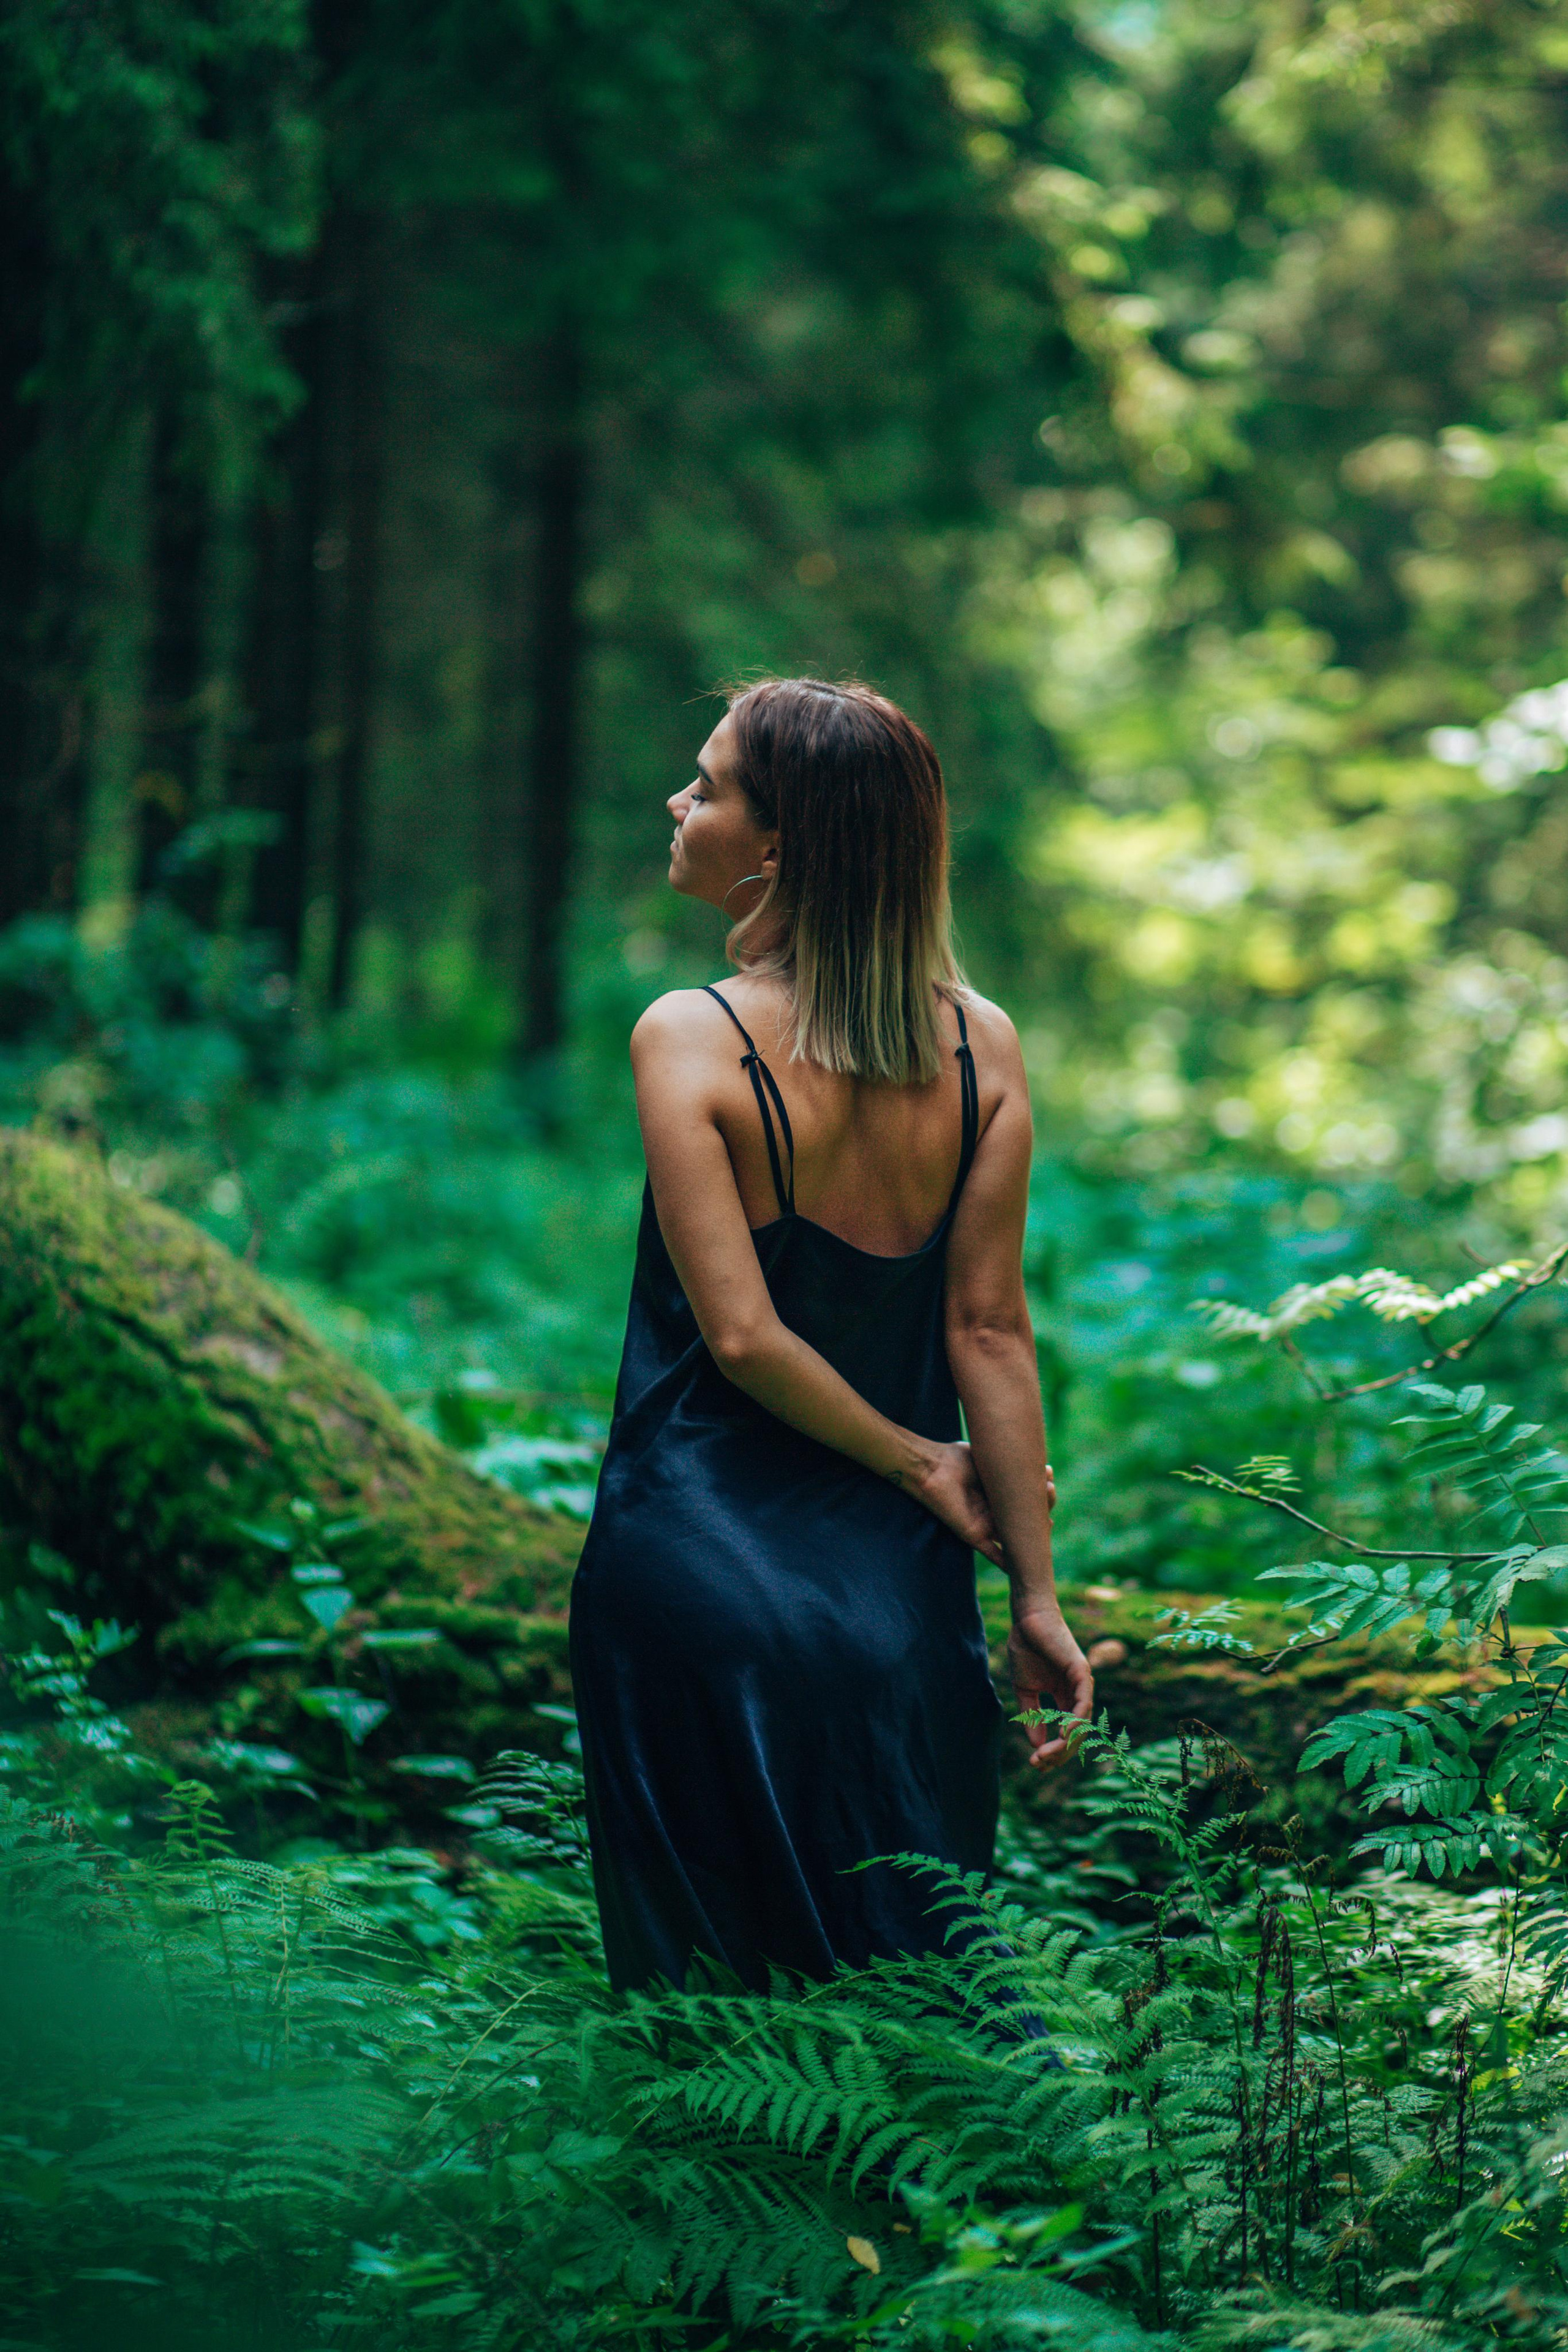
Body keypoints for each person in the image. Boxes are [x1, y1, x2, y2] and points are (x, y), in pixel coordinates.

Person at [568, 676, 1091, 1997]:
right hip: (893, 1601)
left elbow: (737, 1339)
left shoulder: (690, 1037)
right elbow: (988, 1325)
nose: (679, 802)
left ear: (778, 842)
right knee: (909, 1996)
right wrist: (1031, 1599)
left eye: (710, 784)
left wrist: (925, 1466)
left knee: (707, 2018)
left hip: (693, 1566)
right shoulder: (981, 1050)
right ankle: (985, 2208)